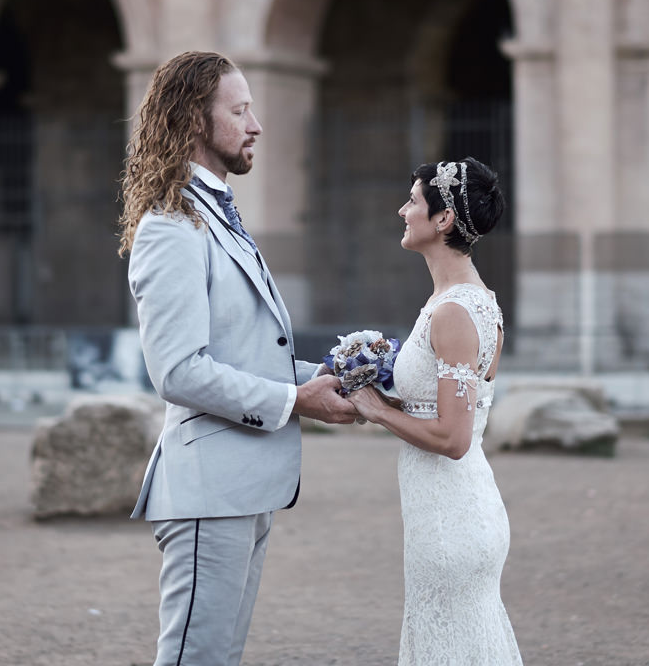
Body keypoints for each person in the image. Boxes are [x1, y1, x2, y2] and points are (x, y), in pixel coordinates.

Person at [118, 51, 357, 666]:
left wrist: (331, 379)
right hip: (207, 495)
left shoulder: (217, 214)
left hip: (242, 488)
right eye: (240, 110)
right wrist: (292, 400)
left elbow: (245, 351)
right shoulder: (171, 225)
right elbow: (179, 371)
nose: (255, 125)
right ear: (195, 120)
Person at [347, 157, 523, 665]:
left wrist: (378, 409)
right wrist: (379, 391)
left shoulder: (453, 311)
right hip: (456, 507)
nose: (403, 211)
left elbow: (454, 437)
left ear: (443, 220)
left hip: (452, 520)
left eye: (414, 202)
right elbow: (448, 408)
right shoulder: (475, 302)